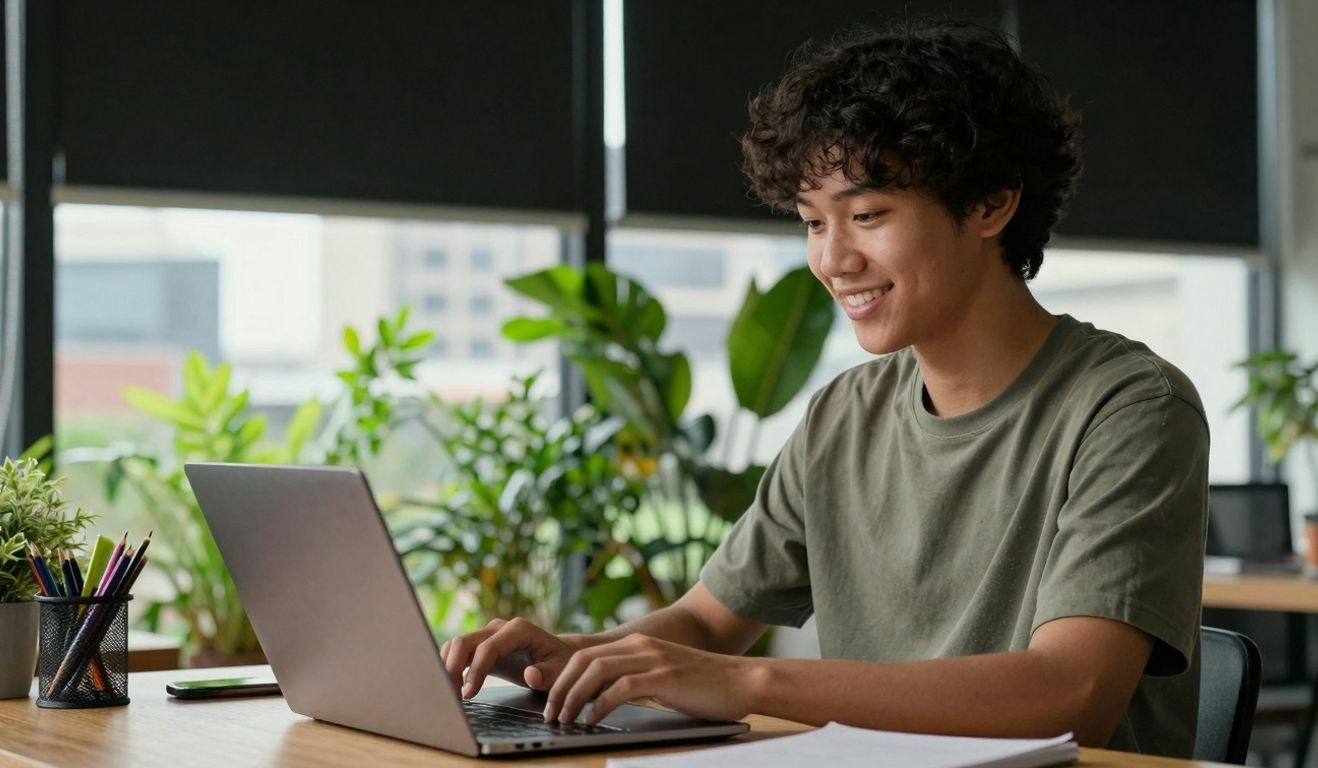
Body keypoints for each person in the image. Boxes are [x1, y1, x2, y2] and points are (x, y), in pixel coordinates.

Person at [441, 20, 1208, 757]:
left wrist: (747, 682)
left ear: (990, 205)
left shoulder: (1130, 408)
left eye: (867, 214)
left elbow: (1069, 694)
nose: (833, 260)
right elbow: (708, 628)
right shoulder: (847, 411)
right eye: (812, 222)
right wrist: (567, 658)